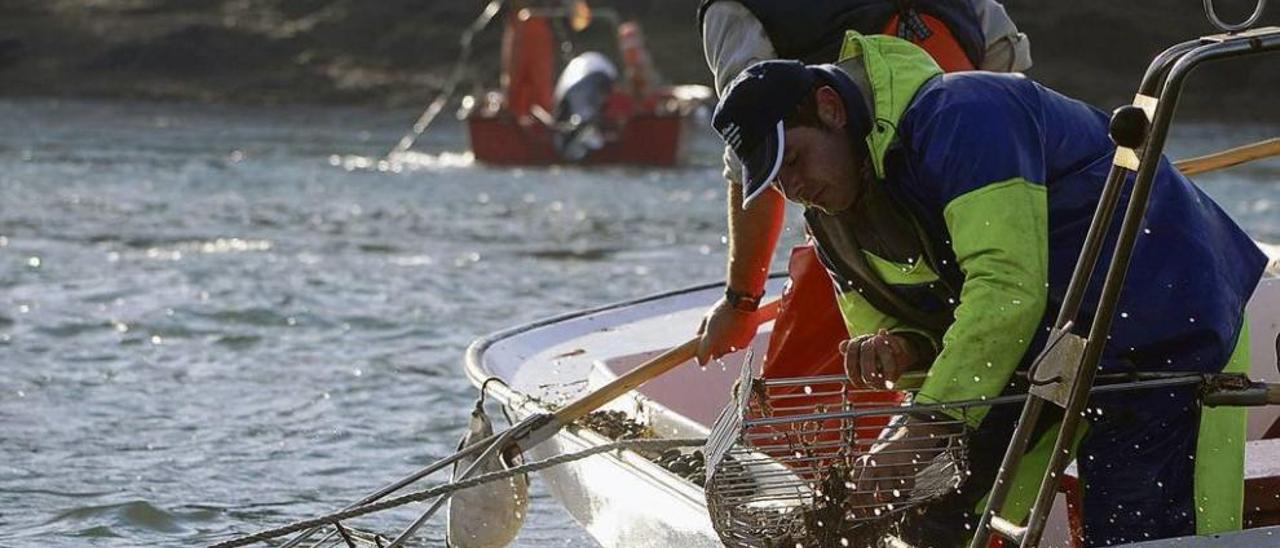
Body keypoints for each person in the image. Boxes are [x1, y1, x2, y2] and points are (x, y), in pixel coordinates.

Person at [710, 33, 1266, 546]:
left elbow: (1006, 289)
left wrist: (925, 426)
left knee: (1140, 527)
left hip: (1165, 321)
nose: (797, 187)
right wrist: (904, 348)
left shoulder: (964, 118)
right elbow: (891, 328)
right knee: (928, 512)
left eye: (797, 160)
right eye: (778, 181)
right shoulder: (830, 214)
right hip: (1042, 346)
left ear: (831, 108)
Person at [695, 0, 1033, 367]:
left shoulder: (732, 10)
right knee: (887, 352)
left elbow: (752, 144)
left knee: (797, 388)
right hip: (986, 202)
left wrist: (741, 302)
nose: (789, 188)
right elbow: (1009, 77)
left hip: (884, 226)